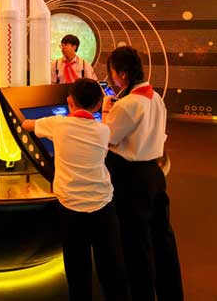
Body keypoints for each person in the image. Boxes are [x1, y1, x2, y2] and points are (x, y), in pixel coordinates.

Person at [23, 79, 131, 301]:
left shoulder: (58, 124)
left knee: (77, 270)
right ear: (98, 104)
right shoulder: (103, 131)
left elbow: (27, 125)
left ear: (70, 101)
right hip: (103, 206)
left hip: (70, 208)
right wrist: (106, 111)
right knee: (111, 266)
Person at [102, 46, 183, 301]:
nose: (112, 78)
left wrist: (106, 111)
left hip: (131, 179)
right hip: (154, 175)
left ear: (123, 74)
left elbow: (108, 137)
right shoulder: (155, 97)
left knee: (136, 244)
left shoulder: (127, 105)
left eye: (113, 72)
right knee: (163, 239)